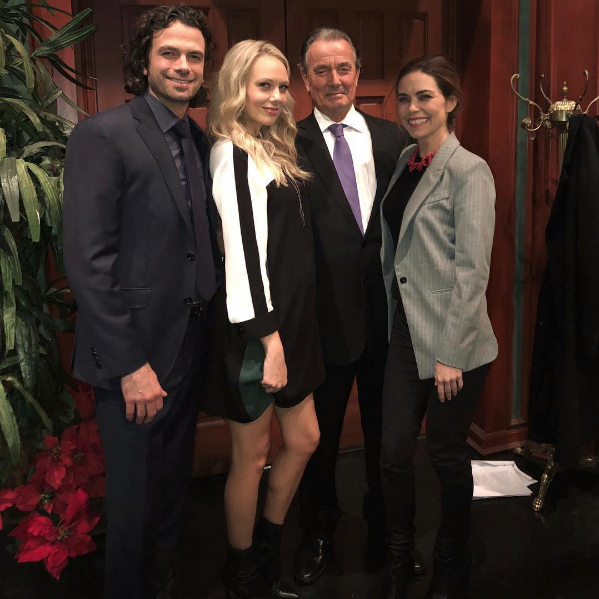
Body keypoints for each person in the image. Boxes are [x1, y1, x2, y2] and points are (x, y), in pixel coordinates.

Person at [62, 6, 221, 599]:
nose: (183, 66)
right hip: (134, 358)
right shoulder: (102, 135)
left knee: (171, 493)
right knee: (133, 506)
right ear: (145, 61)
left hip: (188, 346)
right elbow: (88, 261)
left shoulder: (198, 139)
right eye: (169, 53)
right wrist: (131, 366)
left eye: (194, 56)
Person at [293, 28, 424, 584]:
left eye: (343, 67)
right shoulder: (285, 142)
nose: (334, 79)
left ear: (358, 71)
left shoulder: (395, 138)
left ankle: (386, 532)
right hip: (320, 326)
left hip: (388, 322)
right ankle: (318, 532)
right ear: (305, 79)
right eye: (321, 70)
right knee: (317, 444)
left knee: (387, 440)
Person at [205, 40, 323, 599]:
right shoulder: (231, 152)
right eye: (263, 86)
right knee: (251, 458)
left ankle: (269, 544)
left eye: (281, 86)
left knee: (304, 438)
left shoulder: (272, 146)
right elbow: (244, 258)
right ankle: (243, 569)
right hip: (257, 331)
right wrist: (270, 342)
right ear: (237, 88)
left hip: (290, 325)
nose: (276, 96)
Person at [378, 54, 498, 599]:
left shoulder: (469, 170)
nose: (413, 108)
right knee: (393, 453)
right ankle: (400, 554)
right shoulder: (408, 158)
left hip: (455, 341)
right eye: (405, 98)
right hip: (406, 332)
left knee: (447, 456)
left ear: (450, 101)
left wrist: (450, 353)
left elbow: (473, 272)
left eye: (425, 96)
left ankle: (453, 555)